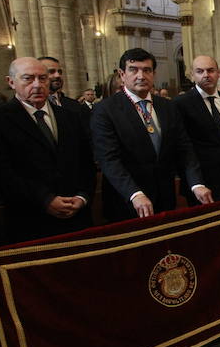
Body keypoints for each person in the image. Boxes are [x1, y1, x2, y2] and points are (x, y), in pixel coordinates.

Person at [91, 48, 213, 221]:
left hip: (165, 197)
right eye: (134, 69)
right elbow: (108, 159)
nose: (141, 76)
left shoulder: (167, 106)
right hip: (127, 200)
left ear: (154, 74)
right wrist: (135, 194)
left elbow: (184, 148)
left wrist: (196, 183)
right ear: (122, 74)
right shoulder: (105, 110)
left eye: (147, 70)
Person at [0, 57, 95, 244]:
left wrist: (83, 196)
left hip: (77, 217)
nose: (37, 85)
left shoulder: (71, 116)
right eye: (28, 79)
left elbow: (87, 162)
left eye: (42, 78)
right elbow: (2, 172)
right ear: (11, 82)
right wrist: (45, 200)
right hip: (30, 221)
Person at [173, 56, 220, 201]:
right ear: (192, 75)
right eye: (200, 71)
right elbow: (182, 147)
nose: (206, 75)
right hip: (203, 183)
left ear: (218, 73)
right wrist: (195, 183)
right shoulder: (181, 103)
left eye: (210, 70)